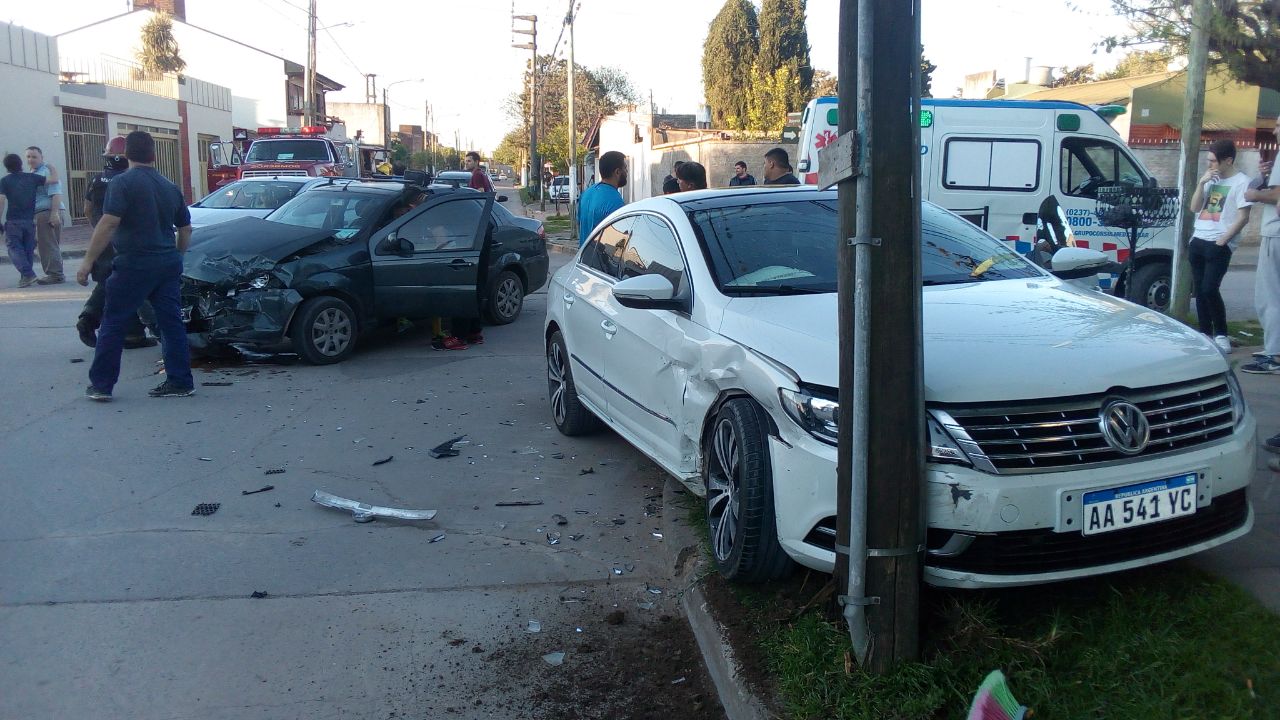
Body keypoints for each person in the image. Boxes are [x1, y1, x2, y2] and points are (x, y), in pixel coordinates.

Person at [76, 131, 195, 401]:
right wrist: (177, 256)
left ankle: (102, 385)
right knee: (171, 323)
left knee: (114, 322)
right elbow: (185, 229)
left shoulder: (122, 183)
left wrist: (87, 262)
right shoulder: (170, 186)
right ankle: (180, 381)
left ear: (126, 154)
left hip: (133, 263)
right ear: (154, 155)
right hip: (166, 263)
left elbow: (108, 223)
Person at [77, 136, 157, 349]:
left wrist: (98, 230)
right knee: (132, 283)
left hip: (103, 239)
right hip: (126, 240)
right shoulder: (131, 180)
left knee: (109, 280)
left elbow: (87, 209)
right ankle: (135, 333)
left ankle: (90, 318)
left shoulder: (97, 180)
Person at [1188, 139, 1253, 355]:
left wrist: (1223, 241)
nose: (1210, 165)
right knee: (1199, 290)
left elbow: (1243, 217)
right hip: (1199, 238)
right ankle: (1205, 333)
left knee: (1210, 288)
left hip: (1218, 242)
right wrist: (1201, 183)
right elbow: (1194, 207)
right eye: (1208, 161)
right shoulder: (1210, 179)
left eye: (1213, 162)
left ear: (1228, 160)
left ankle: (1221, 334)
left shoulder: (1242, 182)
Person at [1243, 118, 1280, 374]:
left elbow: (1278, 196)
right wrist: (1266, 176)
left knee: (1269, 297)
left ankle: (1274, 355)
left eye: (1279, 125)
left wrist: (1254, 194)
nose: (1275, 130)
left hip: (1275, 234)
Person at [0, 153, 46, 288]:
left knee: (14, 248)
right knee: (27, 250)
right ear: (20, 164)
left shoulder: (4, 181)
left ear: (6, 167)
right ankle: (26, 277)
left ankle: (28, 274)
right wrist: (50, 167)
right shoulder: (32, 177)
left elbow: (1, 201)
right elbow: (53, 180)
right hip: (29, 220)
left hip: (13, 220)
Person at [26, 146, 65, 284]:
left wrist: (54, 214)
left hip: (48, 212)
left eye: (34, 157)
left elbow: (56, 192)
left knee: (47, 244)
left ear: (42, 157)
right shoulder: (33, 173)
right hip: (42, 213)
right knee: (49, 244)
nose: (31, 160)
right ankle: (56, 272)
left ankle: (55, 274)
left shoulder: (46, 171)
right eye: (28, 157)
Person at [577, 150, 628, 244]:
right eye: (625, 168)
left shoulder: (586, 193)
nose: (627, 172)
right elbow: (619, 240)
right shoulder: (614, 201)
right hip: (602, 257)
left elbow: (580, 225)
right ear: (617, 172)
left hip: (584, 255)